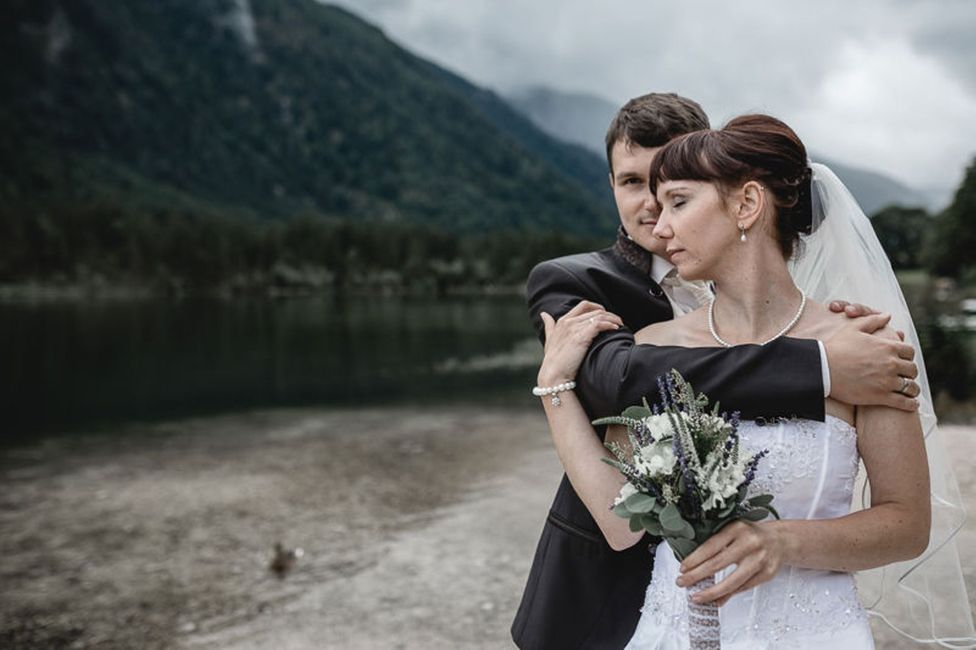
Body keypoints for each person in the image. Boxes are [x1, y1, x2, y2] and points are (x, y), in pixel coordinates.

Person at [534, 114, 973, 648]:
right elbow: (619, 522)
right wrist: (555, 387)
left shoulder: (866, 347)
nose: (660, 224)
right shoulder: (652, 345)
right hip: (672, 632)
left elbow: (906, 525)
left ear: (746, 204)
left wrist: (782, 541)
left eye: (678, 201)